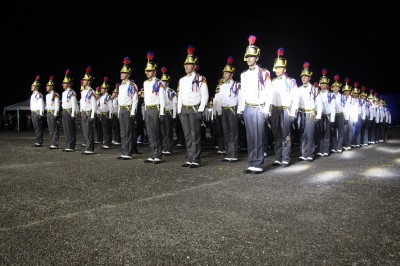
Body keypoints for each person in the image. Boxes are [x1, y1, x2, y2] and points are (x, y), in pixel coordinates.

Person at [237, 35, 272, 174]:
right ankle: (251, 162)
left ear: (257, 58)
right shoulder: (244, 74)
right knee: (250, 136)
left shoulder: (264, 72)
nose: (248, 58)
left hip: (259, 108)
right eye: (247, 56)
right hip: (247, 107)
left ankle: (258, 163)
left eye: (251, 56)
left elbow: (269, 92)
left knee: (258, 136)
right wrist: (240, 110)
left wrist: (266, 109)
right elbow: (242, 93)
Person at [177, 45, 209, 168]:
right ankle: (189, 157)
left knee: (195, 135)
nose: (186, 66)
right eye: (185, 64)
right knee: (187, 135)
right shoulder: (182, 80)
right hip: (184, 109)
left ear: (194, 65)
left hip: (195, 109)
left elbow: (204, 96)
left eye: (189, 64)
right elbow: (180, 96)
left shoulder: (201, 79)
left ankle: (196, 159)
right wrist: (179, 110)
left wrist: (201, 110)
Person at [270, 47, 298, 167]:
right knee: (276, 134)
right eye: (276, 67)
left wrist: (293, 113)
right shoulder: (272, 81)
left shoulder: (291, 81)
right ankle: (278, 157)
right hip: (275, 110)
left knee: (285, 134)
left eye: (279, 67)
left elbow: (295, 97)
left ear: (284, 69)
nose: (277, 70)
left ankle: (286, 157)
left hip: (286, 110)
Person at [142, 51, 166, 164]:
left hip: (156, 109)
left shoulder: (159, 82)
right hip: (148, 109)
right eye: (147, 71)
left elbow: (162, 99)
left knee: (156, 132)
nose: (147, 72)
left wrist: (161, 113)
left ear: (154, 71)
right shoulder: (145, 83)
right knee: (149, 133)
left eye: (150, 71)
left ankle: (158, 154)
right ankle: (152, 154)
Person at [218, 56, 240, 163]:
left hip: (232, 110)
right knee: (226, 132)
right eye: (224, 73)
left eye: (226, 73)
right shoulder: (221, 86)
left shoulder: (236, 85)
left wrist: (240, 111)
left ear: (231, 74)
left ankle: (234, 154)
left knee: (233, 132)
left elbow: (239, 99)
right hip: (224, 110)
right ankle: (228, 153)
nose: (224, 74)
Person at [297, 62, 320, 162]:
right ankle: (304, 153)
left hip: (310, 113)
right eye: (302, 77)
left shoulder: (314, 89)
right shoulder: (298, 89)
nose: (303, 78)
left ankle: (310, 153)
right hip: (301, 113)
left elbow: (319, 103)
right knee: (302, 134)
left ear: (309, 78)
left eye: (305, 77)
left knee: (310, 134)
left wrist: (318, 115)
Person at [117, 56, 139, 160]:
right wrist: (118, 111)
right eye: (121, 73)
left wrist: (133, 112)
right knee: (122, 131)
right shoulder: (121, 86)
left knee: (128, 131)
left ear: (128, 74)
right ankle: (123, 151)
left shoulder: (132, 85)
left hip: (128, 109)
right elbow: (119, 100)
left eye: (123, 73)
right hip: (121, 109)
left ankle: (128, 153)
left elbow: (135, 99)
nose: (121, 74)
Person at [160, 66, 177, 156]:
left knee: (169, 132)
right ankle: (164, 147)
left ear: (168, 82)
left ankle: (169, 148)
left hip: (168, 113)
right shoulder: (159, 90)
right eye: (162, 81)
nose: (163, 83)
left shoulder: (171, 91)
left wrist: (174, 116)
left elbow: (174, 104)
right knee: (163, 132)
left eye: (165, 81)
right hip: (162, 113)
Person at [80, 66, 97, 155]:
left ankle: (90, 148)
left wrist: (92, 116)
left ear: (89, 82)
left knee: (89, 131)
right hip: (84, 112)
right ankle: (87, 146)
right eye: (83, 80)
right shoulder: (83, 92)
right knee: (85, 131)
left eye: (85, 80)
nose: (83, 81)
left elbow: (94, 104)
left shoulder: (91, 91)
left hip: (89, 113)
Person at [61, 69, 78, 152]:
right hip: (64, 111)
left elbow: (74, 104)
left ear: (68, 84)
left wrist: (73, 114)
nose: (62, 84)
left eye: (64, 83)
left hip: (69, 111)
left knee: (70, 129)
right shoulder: (64, 93)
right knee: (65, 129)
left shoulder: (72, 92)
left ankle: (71, 146)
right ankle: (68, 145)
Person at [44, 75, 60, 149]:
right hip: (48, 112)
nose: (46, 87)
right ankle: (52, 142)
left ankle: (55, 143)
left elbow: (57, 105)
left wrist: (55, 114)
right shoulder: (47, 95)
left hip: (53, 112)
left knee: (54, 129)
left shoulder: (55, 94)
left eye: (48, 86)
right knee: (50, 129)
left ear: (51, 87)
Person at [30, 75, 45, 147]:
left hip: (37, 113)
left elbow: (42, 104)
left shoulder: (39, 95)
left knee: (38, 128)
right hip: (33, 112)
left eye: (33, 86)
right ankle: (38, 140)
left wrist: (41, 114)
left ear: (36, 87)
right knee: (36, 128)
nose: (31, 86)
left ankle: (39, 142)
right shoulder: (33, 95)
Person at [98, 77, 113, 149]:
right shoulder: (101, 97)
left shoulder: (108, 97)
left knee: (107, 129)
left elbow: (110, 107)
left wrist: (110, 116)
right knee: (104, 129)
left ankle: (108, 143)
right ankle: (105, 142)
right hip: (102, 114)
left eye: (102, 88)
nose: (101, 89)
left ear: (106, 89)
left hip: (107, 114)